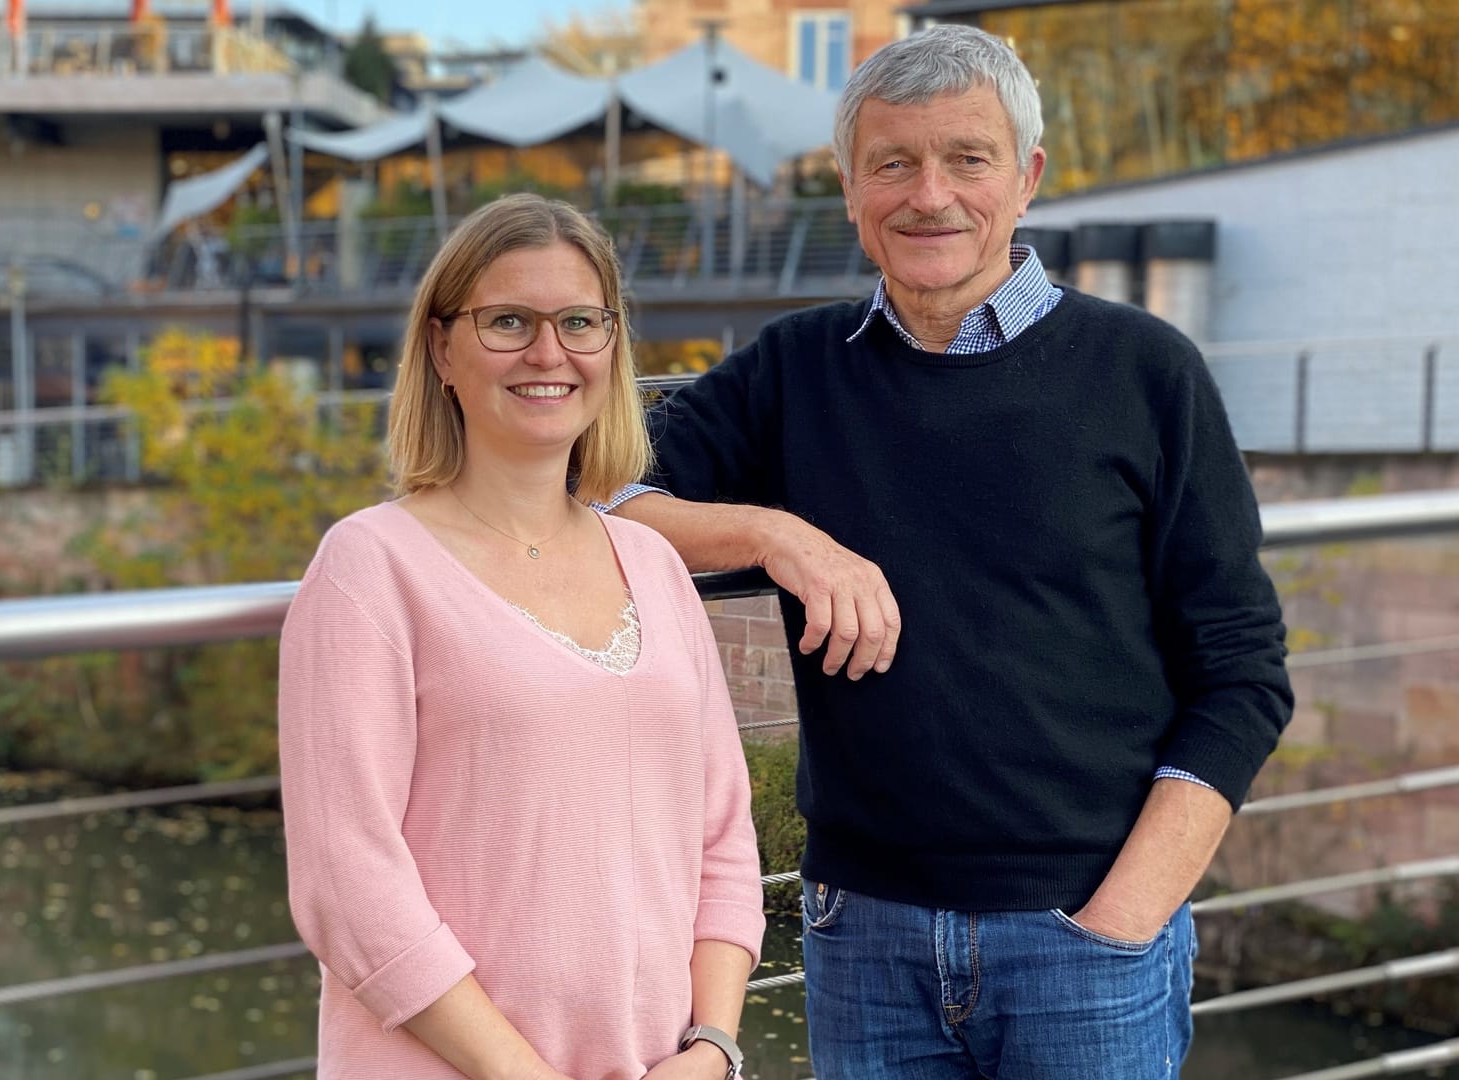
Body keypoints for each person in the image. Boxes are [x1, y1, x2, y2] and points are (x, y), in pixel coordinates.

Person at [609, 24, 1294, 1079]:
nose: (930, 194)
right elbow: (603, 509)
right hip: (863, 939)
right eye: (894, 163)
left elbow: (1243, 670)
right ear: (850, 189)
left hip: (1085, 942)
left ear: (1026, 178)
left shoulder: (1145, 371)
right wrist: (775, 534)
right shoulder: (794, 371)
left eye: (966, 158)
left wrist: (1127, 914)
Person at [279, 194, 766, 1080]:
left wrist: (714, 1047)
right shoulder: (369, 568)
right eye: (509, 321)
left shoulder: (653, 565)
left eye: (580, 322)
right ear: (442, 347)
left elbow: (724, 839)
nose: (550, 353)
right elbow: (346, 886)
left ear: (612, 345)